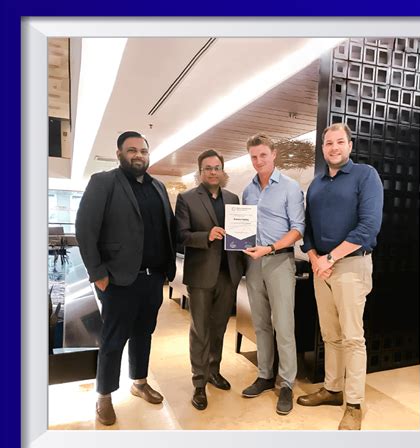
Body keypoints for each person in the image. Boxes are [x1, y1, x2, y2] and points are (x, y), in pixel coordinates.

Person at [75, 131, 176, 426]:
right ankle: (104, 396)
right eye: (132, 150)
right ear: (119, 153)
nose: (138, 155)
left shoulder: (158, 186)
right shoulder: (104, 182)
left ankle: (139, 382)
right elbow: (85, 229)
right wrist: (98, 274)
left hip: (153, 279)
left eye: (143, 151)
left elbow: (168, 229)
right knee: (113, 339)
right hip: (118, 280)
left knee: (144, 333)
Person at [297, 122, 383, 430]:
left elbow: (368, 226)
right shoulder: (317, 184)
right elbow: (307, 227)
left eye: (339, 142)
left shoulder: (365, 175)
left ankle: (354, 404)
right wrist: (315, 258)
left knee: (352, 338)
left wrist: (331, 258)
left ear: (349, 145)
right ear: (323, 149)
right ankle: (332, 389)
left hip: (351, 265)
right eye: (328, 143)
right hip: (321, 267)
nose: (334, 147)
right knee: (330, 334)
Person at [175, 150, 244, 410]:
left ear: (223, 170)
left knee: (219, 328)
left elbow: (240, 233)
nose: (213, 172)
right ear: (200, 171)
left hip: (228, 274)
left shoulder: (233, 198)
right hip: (201, 275)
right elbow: (181, 235)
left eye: (217, 167)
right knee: (200, 330)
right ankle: (199, 382)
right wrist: (206, 235)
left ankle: (214, 371)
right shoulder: (187, 198)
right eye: (208, 168)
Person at [241, 133, 305, 415]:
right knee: (260, 323)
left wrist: (269, 248)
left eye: (263, 155)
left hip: (280, 261)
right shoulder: (248, 190)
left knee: (283, 324)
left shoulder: (290, 187)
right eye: (253, 157)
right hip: (253, 264)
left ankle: (287, 382)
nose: (258, 161)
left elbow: (298, 229)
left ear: (274, 154)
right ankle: (265, 375)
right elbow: (244, 226)